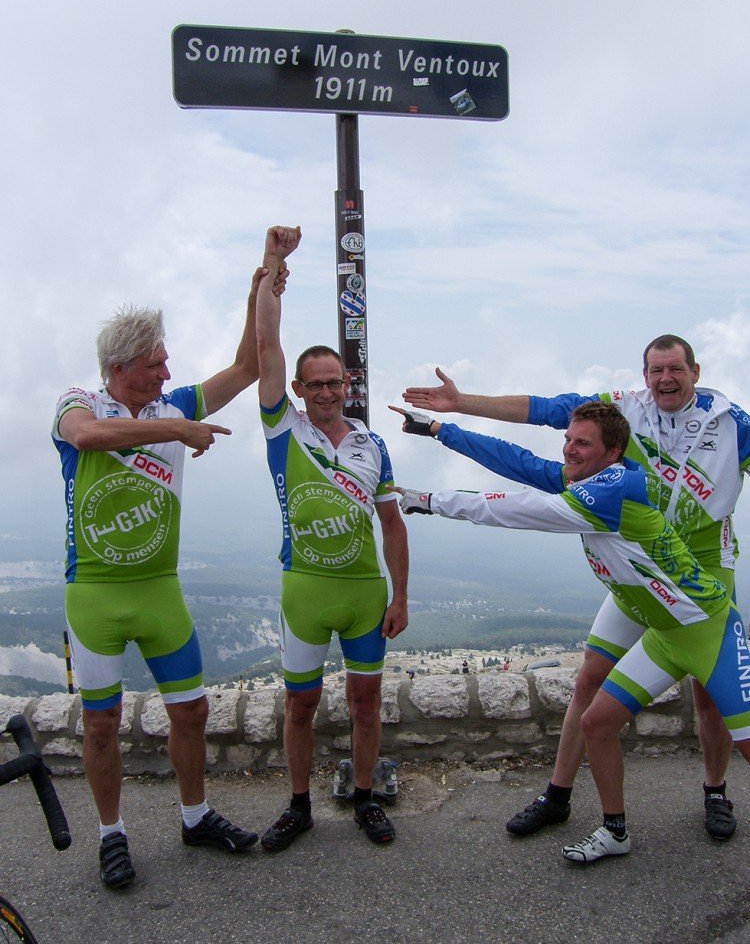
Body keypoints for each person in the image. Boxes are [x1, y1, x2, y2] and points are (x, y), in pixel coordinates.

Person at [402, 336, 750, 840]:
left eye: (676, 369)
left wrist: (431, 494)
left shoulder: (732, 423)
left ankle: (715, 791)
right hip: (635, 575)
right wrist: (455, 411)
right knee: (588, 679)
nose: (665, 379)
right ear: (644, 373)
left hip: (700, 581)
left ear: (695, 371)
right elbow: (542, 417)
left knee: (709, 696)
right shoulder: (622, 415)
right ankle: (557, 796)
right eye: (656, 370)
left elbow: (527, 501)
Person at [52, 256, 288, 889]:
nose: (167, 372)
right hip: (95, 595)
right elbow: (86, 436)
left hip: (160, 592)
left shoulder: (171, 402)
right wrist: (177, 428)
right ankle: (111, 835)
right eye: (155, 363)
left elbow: (244, 368)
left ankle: (195, 815)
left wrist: (259, 284)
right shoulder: (83, 401)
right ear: (119, 369)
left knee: (191, 711)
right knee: (101, 723)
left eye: (166, 361)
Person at [256, 225, 409, 851]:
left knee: (367, 704)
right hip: (305, 592)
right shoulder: (284, 433)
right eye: (313, 383)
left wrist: (400, 596)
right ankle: (298, 806)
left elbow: (393, 524)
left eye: (333, 382)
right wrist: (272, 268)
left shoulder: (373, 447)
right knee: (300, 708)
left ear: (347, 384)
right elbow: (266, 345)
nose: (324, 392)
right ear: (298, 390)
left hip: (365, 592)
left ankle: (366, 798)